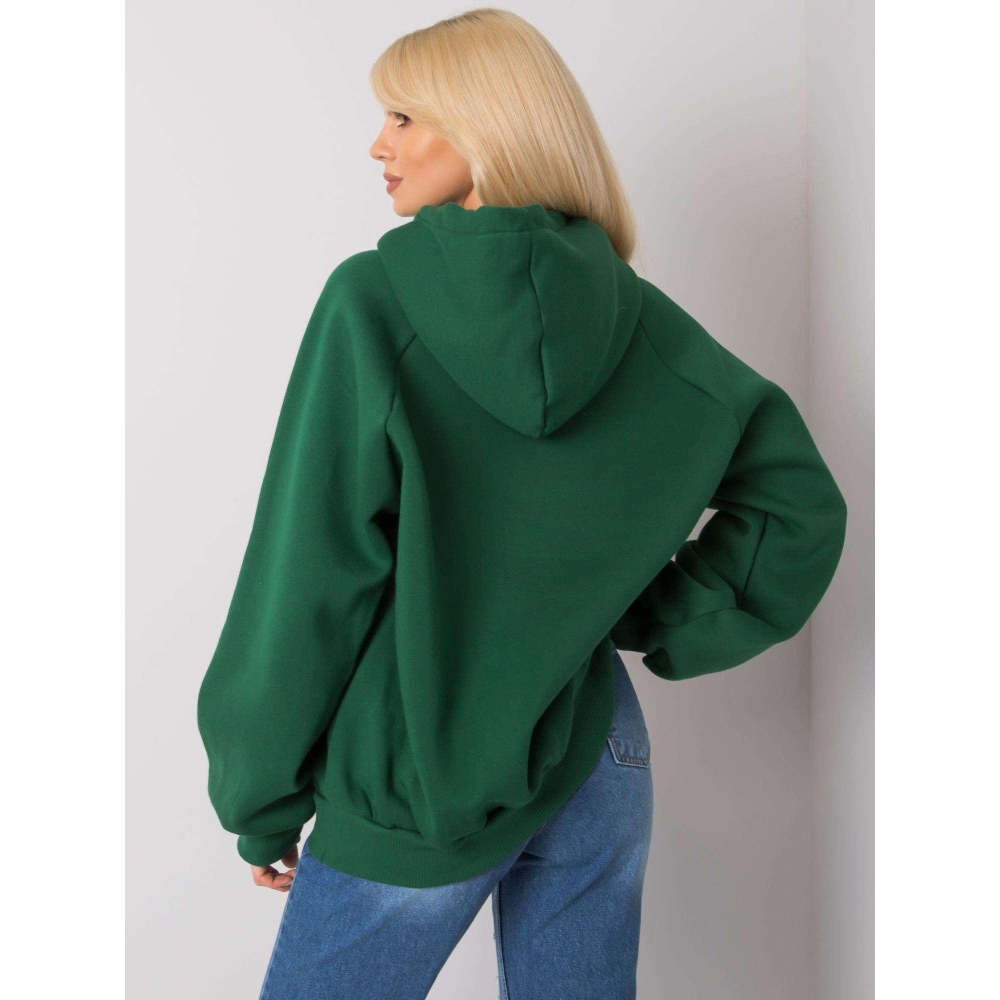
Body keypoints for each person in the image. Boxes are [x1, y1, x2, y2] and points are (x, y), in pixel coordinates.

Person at [196, 8, 848, 999]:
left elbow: (310, 570)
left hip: (419, 770)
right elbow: (795, 505)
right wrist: (640, 612)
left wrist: (258, 792)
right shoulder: (644, 323)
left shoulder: (372, 303)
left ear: (485, 127)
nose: (379, 145)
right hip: (599, 756)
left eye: (404, 117)